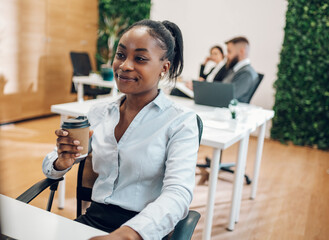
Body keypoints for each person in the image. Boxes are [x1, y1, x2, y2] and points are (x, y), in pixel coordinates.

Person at [42, 19, 199, 240]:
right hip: (93, 220)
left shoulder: (180, 122)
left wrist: (127, 235)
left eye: (140, 58)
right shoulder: (99, 112)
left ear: (164, 68)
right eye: (121, 55)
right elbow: (51, 166)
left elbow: (178, 194)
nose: (125, 65)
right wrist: (61, 161)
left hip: (145, 230)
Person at [222, 36, 259, 103]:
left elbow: (228, 97)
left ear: (242, 51)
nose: (227, 55)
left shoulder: (246, 74)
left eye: (229, 52)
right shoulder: (235, 70)